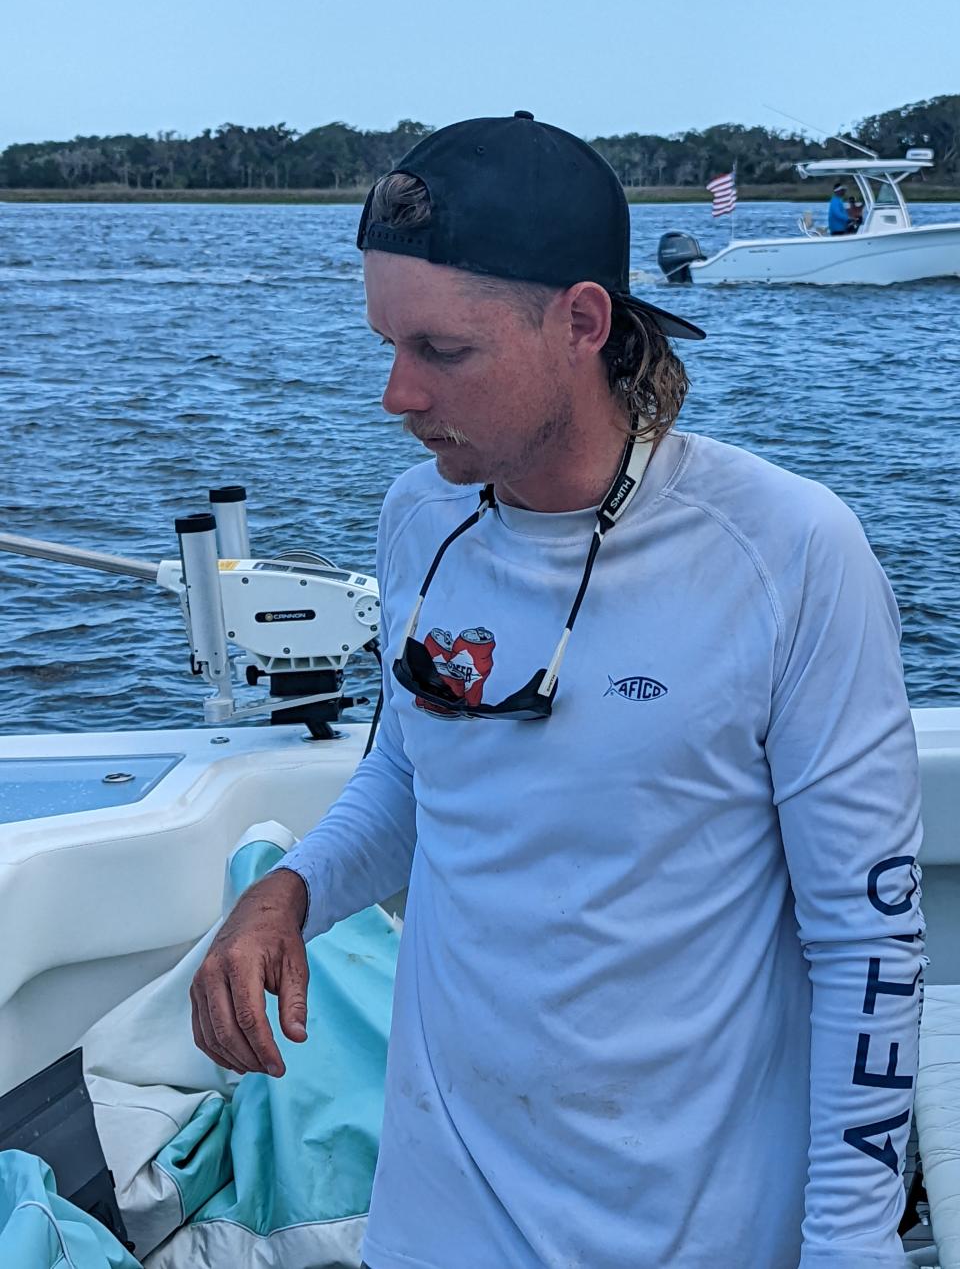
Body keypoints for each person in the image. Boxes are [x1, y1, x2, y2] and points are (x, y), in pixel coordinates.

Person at [191, 112, 925, 1269]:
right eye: (385, 343)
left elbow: (868, 944)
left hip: (696, 1228)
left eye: (441, 351)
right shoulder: (418, 519)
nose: (395, 393)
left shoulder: (787, 552)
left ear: (582, 321)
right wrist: (292, 890)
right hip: (442, 1215)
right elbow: (413, 774)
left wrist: (851, 1249)